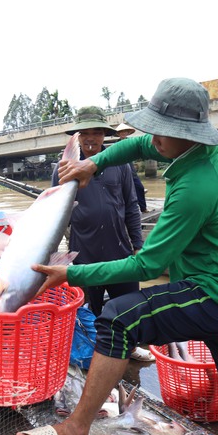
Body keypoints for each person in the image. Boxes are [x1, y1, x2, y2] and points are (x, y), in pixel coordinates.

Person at [11, 78, 218, 435]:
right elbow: (142, 145)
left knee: (118, 318)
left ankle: (74, 433)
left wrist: (70, 273)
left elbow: (147, 266)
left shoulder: (197, 186)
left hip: (212, 293)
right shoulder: (206, 150)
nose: (154, 137)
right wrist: (93, 163)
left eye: (164, 131)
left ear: (186, 134)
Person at [53, 107, 151, 362]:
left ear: (105, 135)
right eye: (84, 133)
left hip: (119, 250)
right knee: (90, 309)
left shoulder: (120, 164)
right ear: (76, 136)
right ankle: (97, 352)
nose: (90, 139)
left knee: (130, 305)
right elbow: (53, 215)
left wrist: (137, 245)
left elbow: (130, 204)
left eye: (96, 133)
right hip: (83, 253)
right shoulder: (63, 168)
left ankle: (130, 347)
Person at [116, 122, 148, 213]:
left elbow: (136, 153)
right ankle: (125, 211)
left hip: (131, 169)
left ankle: (143, 208)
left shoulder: (131, 142)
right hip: (121, 168)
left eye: (125, 132)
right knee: (122, 190)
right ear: (118, 134)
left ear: (127, 133)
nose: (123, 133)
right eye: (121, 132)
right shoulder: (116, 145)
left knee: (139, 187)